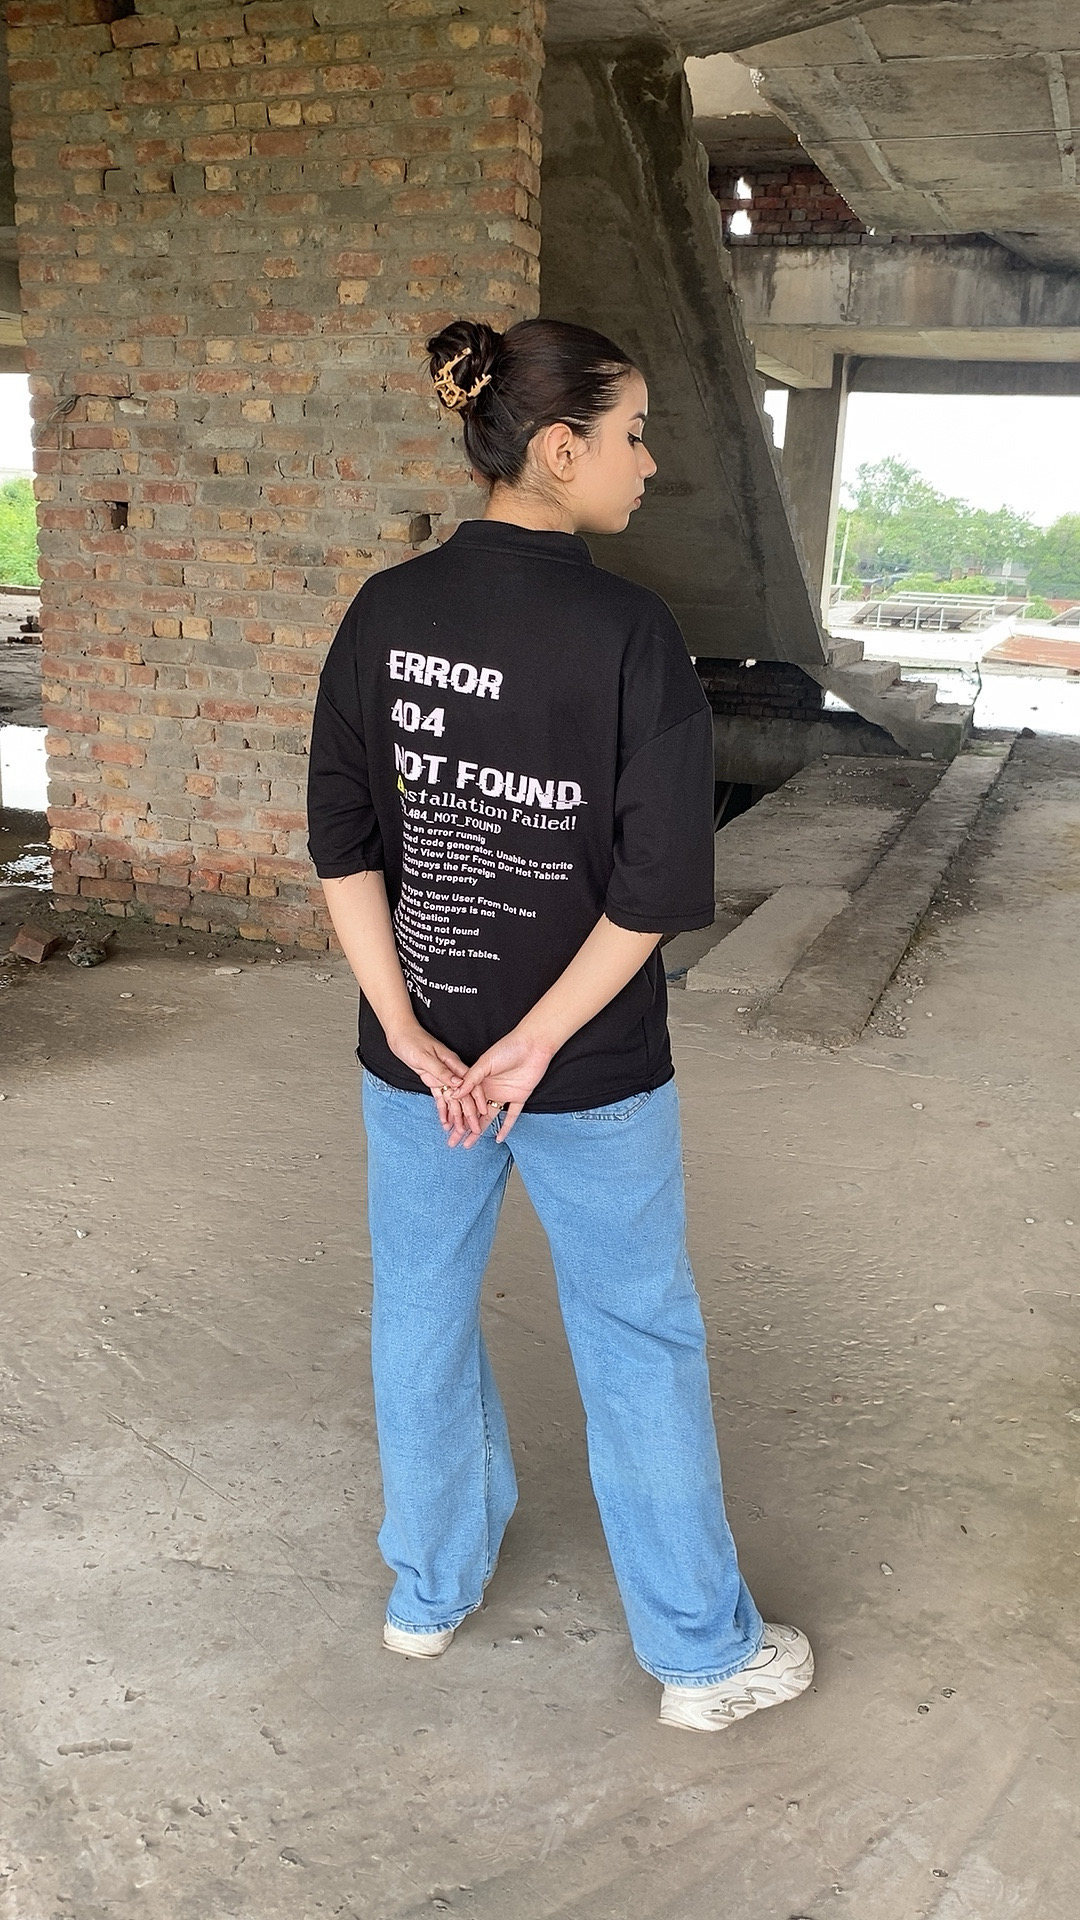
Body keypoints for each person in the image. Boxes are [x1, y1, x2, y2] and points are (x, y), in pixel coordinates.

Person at [306, 316, 813, 1732]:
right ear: (558, 447)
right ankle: (700, 1660)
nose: (649, 464)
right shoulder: (629, 633)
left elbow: (343, 841)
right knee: (637, 1337)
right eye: (634, 434)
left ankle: (427, 1592)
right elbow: (655, 888)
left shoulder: (383, 614)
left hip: (419, 1069)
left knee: (419, 1316)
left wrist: (410, 1029)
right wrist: (533, 1047)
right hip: (588, 1074)